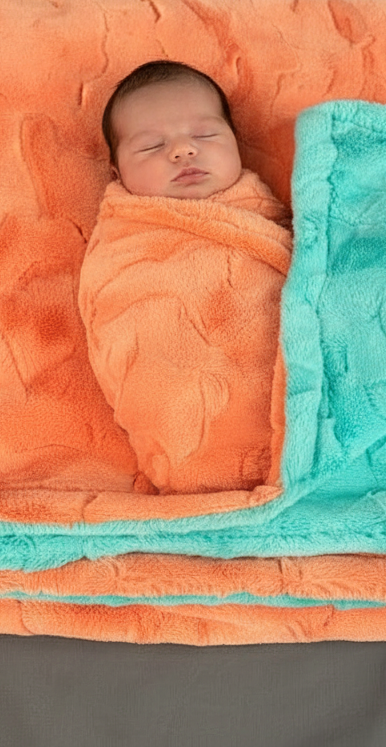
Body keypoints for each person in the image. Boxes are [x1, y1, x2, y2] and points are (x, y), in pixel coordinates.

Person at [78, 61, 293, 495]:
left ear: (235, 143)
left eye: (205, 135)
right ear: (117, 174)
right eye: (151, 146)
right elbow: (111, 312)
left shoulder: (261, 209)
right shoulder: (125, 240)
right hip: (185, 402)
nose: (182, 151)